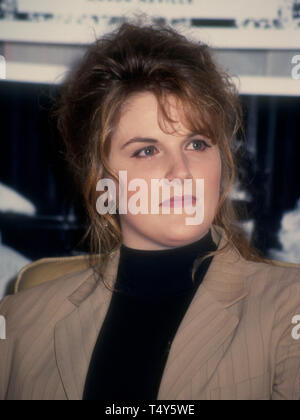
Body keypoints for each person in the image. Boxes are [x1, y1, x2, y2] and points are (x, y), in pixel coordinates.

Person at [0, 21, 300, 401]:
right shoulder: (19, 322)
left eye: (196, 144)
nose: (182, 173)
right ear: (101, 178)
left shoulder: (289, 307)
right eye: (147, 150)